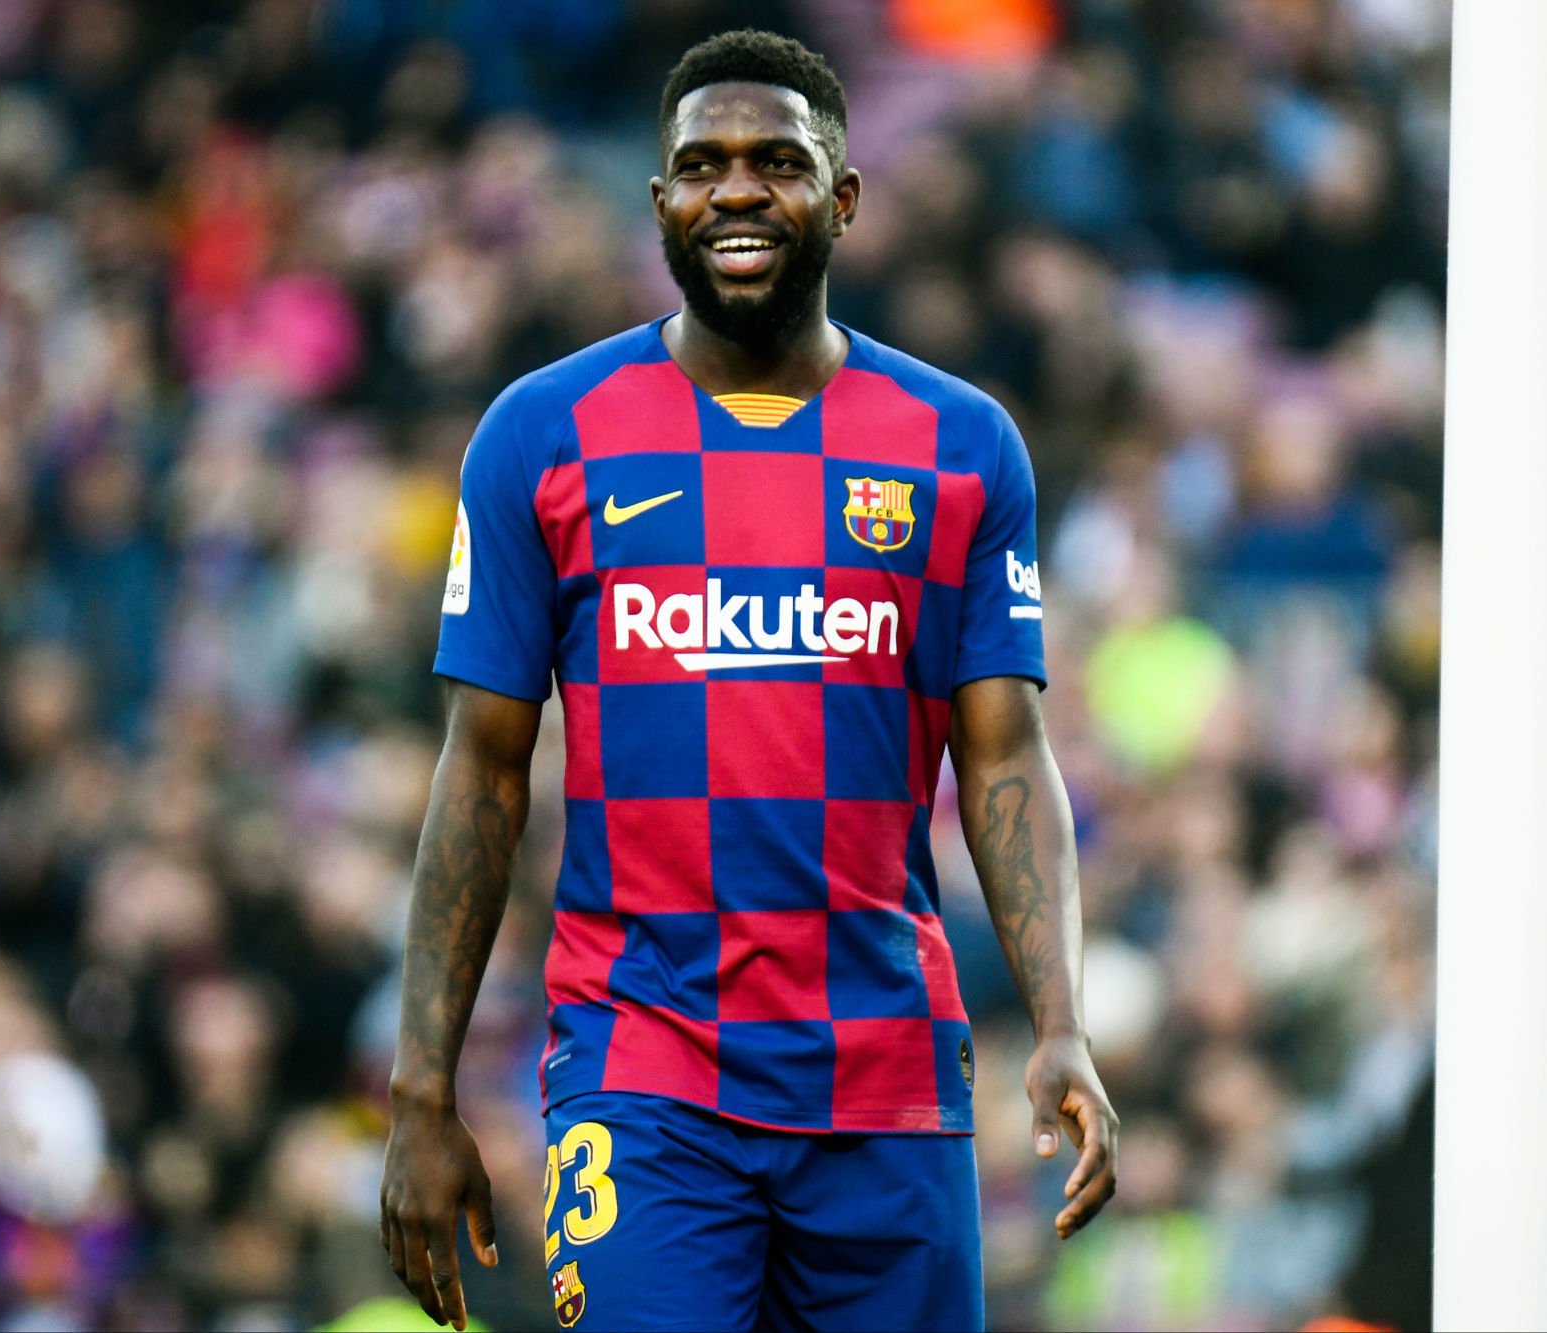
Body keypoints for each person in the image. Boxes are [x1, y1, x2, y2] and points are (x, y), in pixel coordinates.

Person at [378, 29, 1118, 1332]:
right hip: (642, 1066)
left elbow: (1007, 753)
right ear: (659, 197)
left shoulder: (960, 445)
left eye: (777, 162)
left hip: (885, 1075)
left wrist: (1061, 1020)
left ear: (843, 197)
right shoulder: (542, 435)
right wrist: (422, 1090)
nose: (736, 190)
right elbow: (482, 769)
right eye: (701, 165)